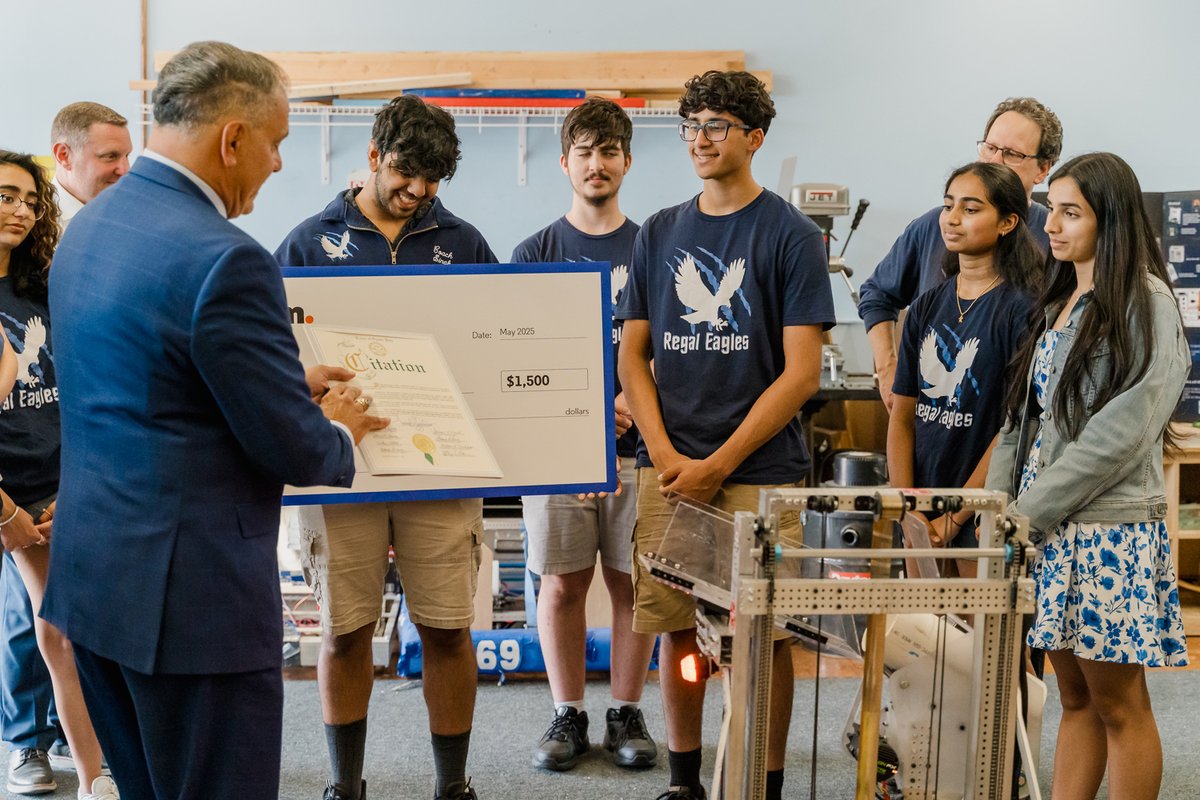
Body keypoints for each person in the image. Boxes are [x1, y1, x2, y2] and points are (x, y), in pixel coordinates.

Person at [42, 41, 387, 800]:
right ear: (233, 137)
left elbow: (147, 377)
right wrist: (338, 431)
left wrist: (275, 377)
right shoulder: (226, 258)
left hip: (95, 584)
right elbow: (294, 449)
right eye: (277, 143)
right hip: (192, 611)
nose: (277, 165)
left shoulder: (91, 227)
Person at [616, 70, 834, 800]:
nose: (701, 139)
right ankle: (685, 780)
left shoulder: (792, 236)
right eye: (691, 126)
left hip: (760, 471)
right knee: (676, 631)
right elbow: (631, 355)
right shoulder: (658, 232)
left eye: (716, 125)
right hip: (668, 469)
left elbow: (802, 373)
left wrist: (720, 461)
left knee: (761, 641)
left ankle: (762, 784)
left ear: (755, 137)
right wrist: (670, 454)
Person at [275, 93, 496, 800]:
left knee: (448, 629)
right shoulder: (308, 241)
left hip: (441, 467)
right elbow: (275, 356)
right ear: (371, 157)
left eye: (433, 181)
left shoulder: (463, 241)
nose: (419, 192)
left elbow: (499, 343)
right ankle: (345, 785)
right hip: (342, 468)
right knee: (344, 631)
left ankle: (452, 784)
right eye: (405, 173)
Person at [986, 152, 1189, 800]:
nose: (1053, 224)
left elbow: (1122, 432)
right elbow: (1027, 419)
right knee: (1074, 698)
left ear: (1113, 220)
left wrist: (1028, 512)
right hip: (1050, 529)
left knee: (1119, 705)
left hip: (1109, 532)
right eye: (1054, 210)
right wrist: (999, 506)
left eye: (1072, 212)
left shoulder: (1147, 302)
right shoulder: (1062, 299)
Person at [511, 97, 658, 773]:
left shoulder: (658, 246)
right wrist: (587, 412)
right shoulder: (536, 251)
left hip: (644, 454)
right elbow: (519, 355)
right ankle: (567, 712)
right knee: (563, 584)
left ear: (626, 159)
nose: (596, 164)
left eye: (609, 151)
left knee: (633, 584)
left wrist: (635, 397)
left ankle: (626, 712)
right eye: (584, 152)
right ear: (565, 161)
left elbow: (676, 348)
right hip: (558, 453)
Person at [3, 101, 131, 795]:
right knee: (53, 634)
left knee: (66, 634)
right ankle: (87, 772)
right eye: (3, 197)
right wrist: (8, 514)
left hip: (63, 487)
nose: (20, 211)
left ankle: (97, 775)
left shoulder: (40, 284)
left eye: (28, 198)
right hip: (13, 498)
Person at [887, 162, 1040, 579]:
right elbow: (902, 418)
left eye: (971, 209)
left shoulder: (1022, 310)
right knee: (922, 639)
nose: (952, 219)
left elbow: (1013, 429)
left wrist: (954, 518)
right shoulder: (925, 306)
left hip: (983, 511)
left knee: (982, 642)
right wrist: (907, 510)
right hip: (922, 508)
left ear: (1008, 222)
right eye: (948, 205)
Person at [860, 97, 1062, 410]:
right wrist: (887, 371)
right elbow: (876, 295)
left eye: (1011, 154)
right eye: (990, 147)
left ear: (1043, 169)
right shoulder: (935, 227)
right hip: (934, 413)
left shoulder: (1055, 237)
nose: (994, 161)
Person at [48, 102, 132, 225]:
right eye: (110, 156)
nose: (125, 170)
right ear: (64, 155)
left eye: (127, 155)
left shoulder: (130, 217)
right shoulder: (30, 222)